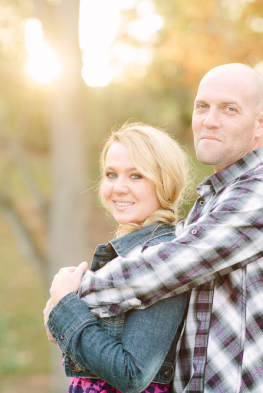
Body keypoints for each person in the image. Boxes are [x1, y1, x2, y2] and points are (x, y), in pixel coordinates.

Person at [47, 63, 263, 393]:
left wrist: (68, 301)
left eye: (229, 109)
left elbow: (168, 267)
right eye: (202, 106)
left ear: (261, 123)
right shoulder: (213, 201)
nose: (210, 119)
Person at [45, 123, 192, 393]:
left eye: (136, 176)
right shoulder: (125, 257)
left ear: (165, 181)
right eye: (111, 175)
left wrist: (65, 304)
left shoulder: (161, 257)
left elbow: (131, 374)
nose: (118, 188)